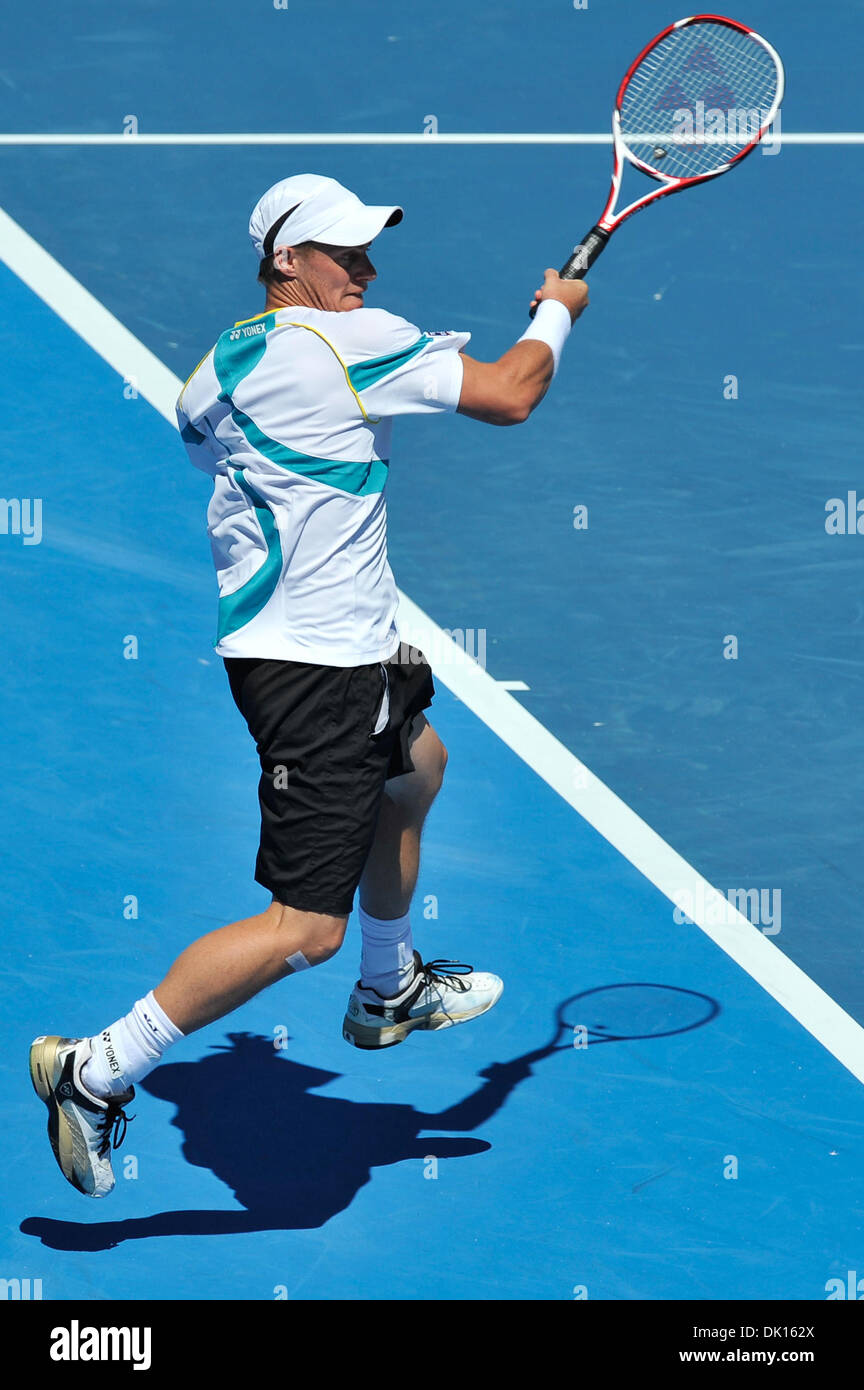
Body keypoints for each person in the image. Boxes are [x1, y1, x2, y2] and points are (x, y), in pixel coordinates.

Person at [29, 173, 589, 1199]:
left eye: (369, 252)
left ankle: (390, 986)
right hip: (321, 673)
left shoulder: (216, 365)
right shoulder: (355, 340)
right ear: (287, 259)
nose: (365, 271)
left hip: (304, 651)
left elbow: (206, 451)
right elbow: (511, 392)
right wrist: (558, 309)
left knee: (418, 767)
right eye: (344, 254)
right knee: (303, 929)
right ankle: (96, 1068)